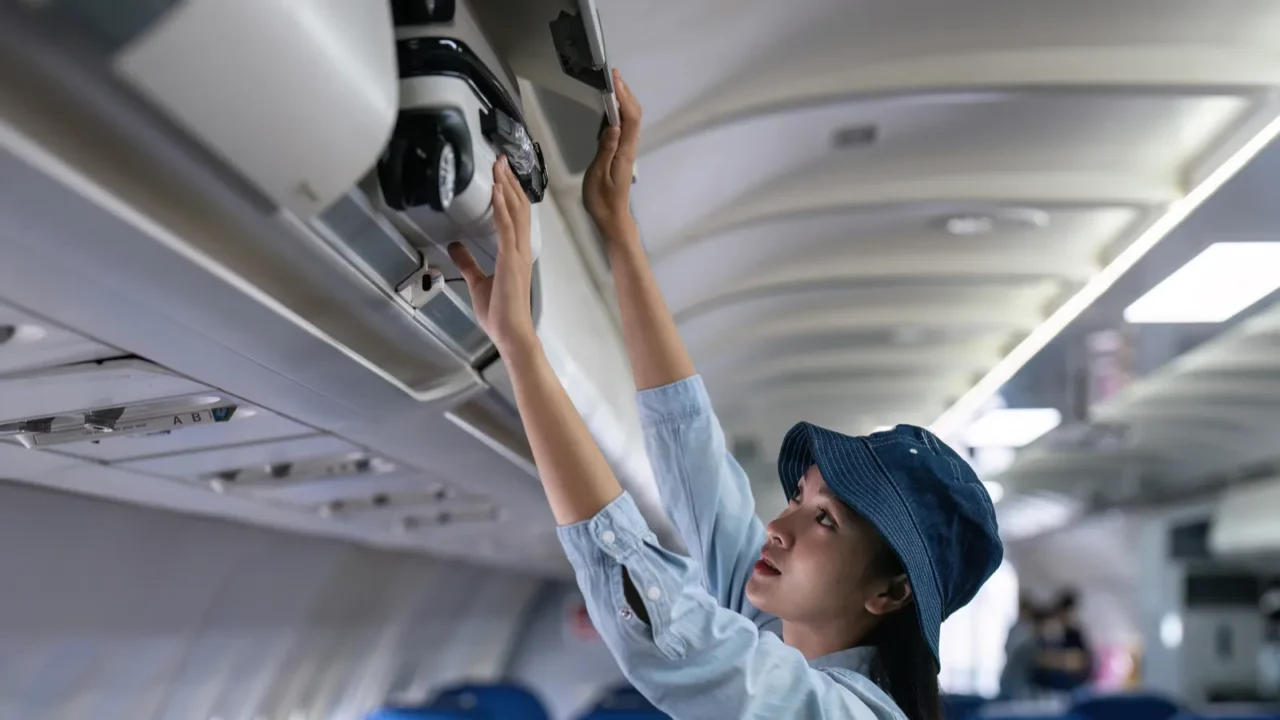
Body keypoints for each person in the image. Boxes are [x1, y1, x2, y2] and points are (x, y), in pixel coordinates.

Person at [447, 69, 1003, 720]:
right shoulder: (785, 640)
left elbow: (659, 624)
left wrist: (521, 347)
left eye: (825, 520)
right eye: (800, 500)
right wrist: (617, 228)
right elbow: (691, 455)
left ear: (889, 593)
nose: (778, 527)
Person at [1031, 591, 1093, 693]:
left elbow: (1081, 661)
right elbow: (1037, 659)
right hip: (1046, 689)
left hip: (1070, 688)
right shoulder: (1046, 635)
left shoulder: (1075, 635)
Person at [999, 598, 1041, 699]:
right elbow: (1009, 650)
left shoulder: (1030, 629)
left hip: (1023, 677)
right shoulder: (1020, 629)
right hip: (1012, 676)